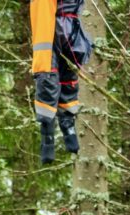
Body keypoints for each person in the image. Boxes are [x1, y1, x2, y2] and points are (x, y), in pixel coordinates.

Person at [30, 0, 92, 164]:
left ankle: (68, 126)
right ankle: (47, 134)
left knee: (68, 77)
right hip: (50, 25)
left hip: (70, 27)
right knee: (47, 76)